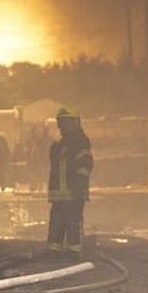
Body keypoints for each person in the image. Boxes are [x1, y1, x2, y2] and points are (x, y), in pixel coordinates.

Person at [45, 108, 93, 254]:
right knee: (57, 222)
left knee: (73, 221)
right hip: (60, 193)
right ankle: (54, 249)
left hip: (73, 192)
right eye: (59, 122)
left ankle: (74, 250)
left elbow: (86, 163)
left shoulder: (80, 141)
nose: (60, 126)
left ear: (73, 122)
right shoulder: (62, 143)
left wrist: (79, 184)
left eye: (63, 122)